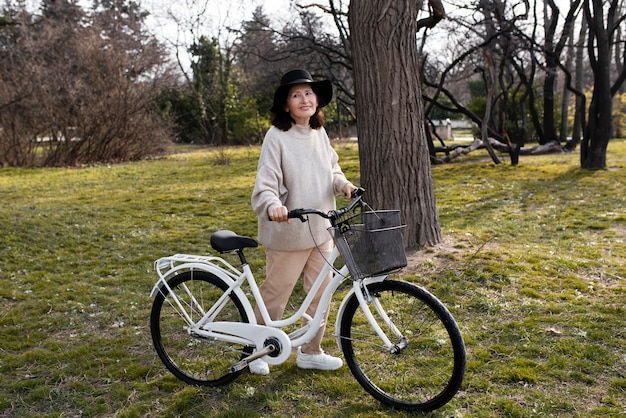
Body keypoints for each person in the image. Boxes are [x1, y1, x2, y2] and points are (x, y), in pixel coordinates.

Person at [250, 69, 357, 375]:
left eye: (309, 93)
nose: (304, 99)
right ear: (286, 105)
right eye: (296, 95)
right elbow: (265, 184)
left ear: (317, 100)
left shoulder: (319, 133)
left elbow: (332, 170)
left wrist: (345, 185)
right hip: (289, 232)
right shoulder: (277, 137)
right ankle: (257, 349)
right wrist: (273, 206)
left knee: (320, 295)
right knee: (276, 293)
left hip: (322, 229)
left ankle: (311, 351)